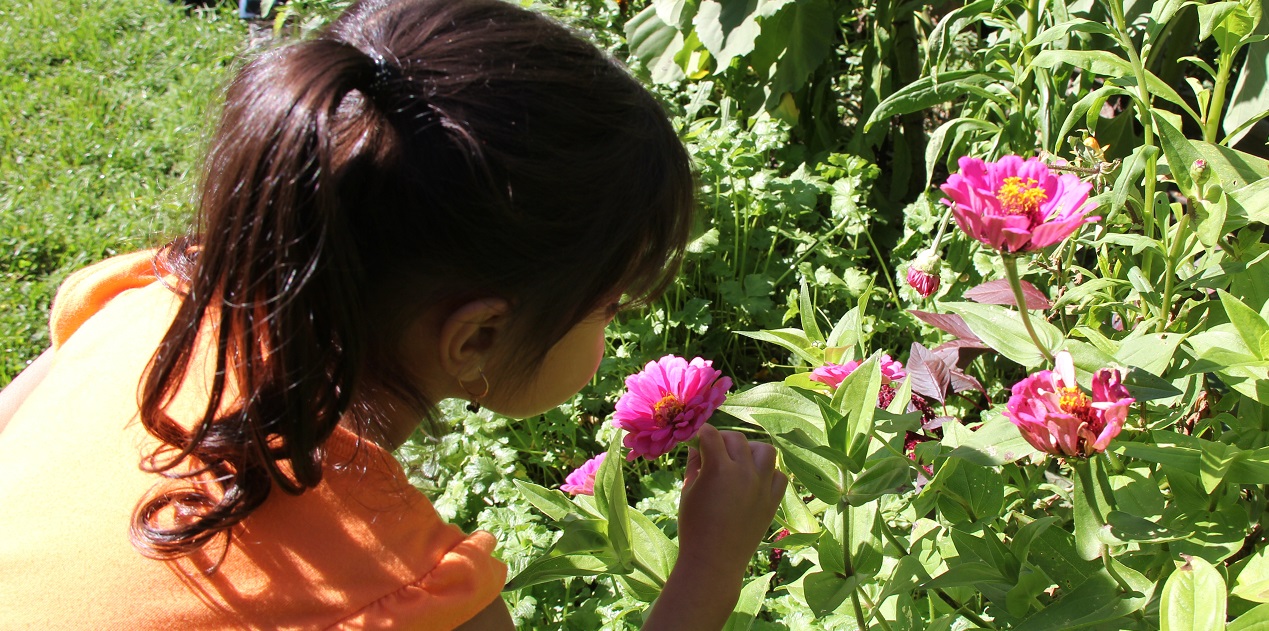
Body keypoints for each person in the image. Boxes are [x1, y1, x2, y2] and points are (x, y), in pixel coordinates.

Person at [0, 0, 788, 628]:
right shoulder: (400, 599)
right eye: (609, 308)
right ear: (475, 336)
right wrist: (709, 569)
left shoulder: (139, 310)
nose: (610, 332)